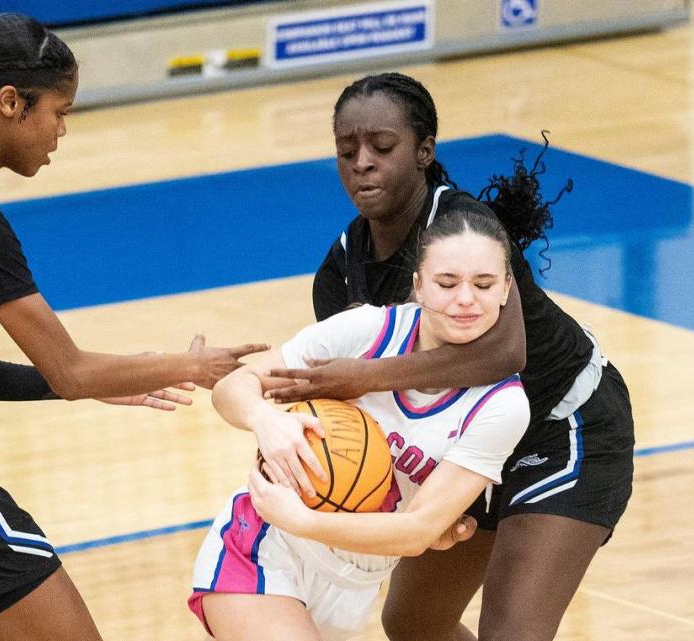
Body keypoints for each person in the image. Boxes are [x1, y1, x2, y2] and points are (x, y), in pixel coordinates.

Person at [0, 14, 266, 641]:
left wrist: (71, 383)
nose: (61, 130)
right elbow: (74, 369)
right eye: (58, 111)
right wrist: (189, 366)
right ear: (10, 103)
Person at [264, 72, 635, 641]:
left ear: (424, 152)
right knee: (414, 622)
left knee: (511, 631)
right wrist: (424, 503)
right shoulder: (341, 269)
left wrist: (365, 373)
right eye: (346, 150)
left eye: (382, 147)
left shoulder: (466, 230)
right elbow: (371, 414)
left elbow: (505, 352)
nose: (362, 162)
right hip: (472, 444)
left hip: (563, 427)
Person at [188, 211, 531, 641]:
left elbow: (418, 530)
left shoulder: (503, 406)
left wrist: (304, 520)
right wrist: (266, 421)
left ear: (505, 291)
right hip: (263, 545)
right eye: (447, 283)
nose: (465, 299)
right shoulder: (368, 331)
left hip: (356, 579)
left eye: (483, 285)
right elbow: (234, 386)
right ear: (419, 285)